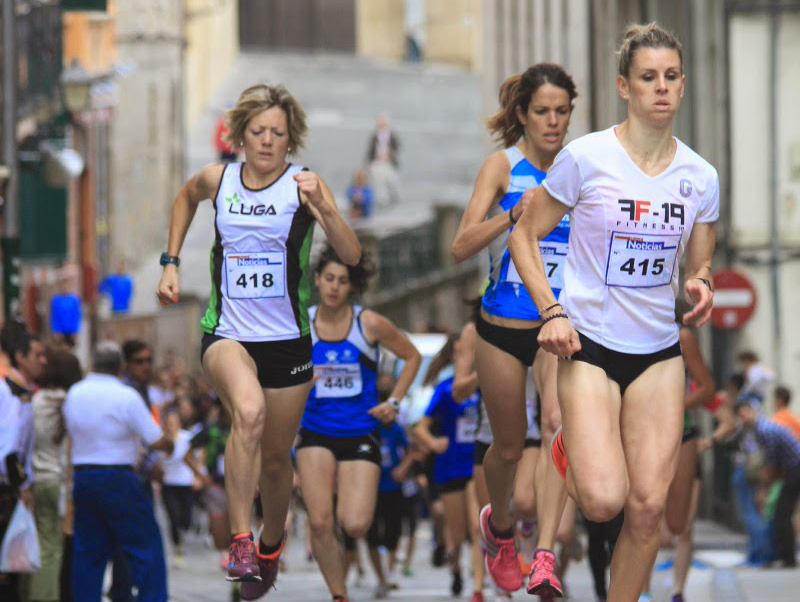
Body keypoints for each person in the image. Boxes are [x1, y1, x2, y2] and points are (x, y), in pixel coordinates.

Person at [508, 23, 718, 601]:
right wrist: (551, 311)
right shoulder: (586, 158)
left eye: (671, 76)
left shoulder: (699, 176)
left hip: (657, 352)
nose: (662, 88)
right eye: (648, 77)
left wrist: (700, 281)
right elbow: (524, 237)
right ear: (625, 87)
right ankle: (565, 447)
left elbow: (701, 250)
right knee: (603, 500)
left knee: (648, 510)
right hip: (590, 344)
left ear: (682, 83)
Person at [156, 83, 361, 592]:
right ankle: (242, 540)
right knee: (246, 413)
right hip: (226, 333)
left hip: (288, 341)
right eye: (258, 131)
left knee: (275, 458)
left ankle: (271, 542)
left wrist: (326, 210)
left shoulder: (304, 185)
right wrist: (171, 261)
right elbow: (185, 198)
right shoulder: (217, 179)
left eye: (278, 133)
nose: (267, 141)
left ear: (290, 142)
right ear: (239, 136)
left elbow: (351, 255)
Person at [451, 62, 578, 596]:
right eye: (543, 112)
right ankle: (499, 530)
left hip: (559, 324)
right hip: (501, 324)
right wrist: (512, 217)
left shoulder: (581, 167)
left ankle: (544, 552)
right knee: (506, 448)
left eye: (562, 112)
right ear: (523, 113)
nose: (553, 122)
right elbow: (459, 246)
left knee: (555, 421)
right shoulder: (502, 167)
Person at [295, 247, 421, 602]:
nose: (334, 287)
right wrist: (303, 376)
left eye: (343, 280)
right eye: (329, 278)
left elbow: (411, 355)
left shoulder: (368, 323)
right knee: (319, 522)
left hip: (360, 432)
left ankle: (342, 509)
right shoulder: (301, 325)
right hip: (315, 429)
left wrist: (394, 401)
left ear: (352, 286)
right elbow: (279, 372)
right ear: (317, 280)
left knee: (354, 523)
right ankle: (339, 594)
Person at [64, 341, 173, 602]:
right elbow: (155, 439)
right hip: (118, 477)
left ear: (92, 364)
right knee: (145, 546)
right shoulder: (126, 395)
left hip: (84, 476)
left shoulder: (75, 393)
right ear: (121, 366)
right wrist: (170, 442)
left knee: (88, 553)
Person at [415, 335, 481, 599]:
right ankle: (455, 566)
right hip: (450, 467)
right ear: (453, 356)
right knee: (458, 532)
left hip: (477, 464)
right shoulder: (444, 389)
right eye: (460, 352)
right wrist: (434, 442)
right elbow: (420, 426)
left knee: (477, 528)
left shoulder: (485, 385)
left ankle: (477, 587)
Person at [29, 346, 82, 602]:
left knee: (44, 545)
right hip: (61, 483)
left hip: (38, 479)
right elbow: (69, 454)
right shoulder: (72, 403)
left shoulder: (36, 400)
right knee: (57, 550)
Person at [0, 322, 47, 601]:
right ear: (20, 356)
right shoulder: (8, 393)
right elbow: (9, 449)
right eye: (36, 355)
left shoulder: (23, 392)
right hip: (8, 485)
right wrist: (21, 486)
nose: (42, 362)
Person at [734, 401, 800, 568]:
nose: (744, 418)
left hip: (795, 468)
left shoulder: (765, 430)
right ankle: (784, 555)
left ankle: (786, 557)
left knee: (782, 512)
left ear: (753, 411)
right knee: (781, 511)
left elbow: (770, 464)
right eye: (740, 415)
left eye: (745, 413)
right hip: (790, 469)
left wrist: (764, 491)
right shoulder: (760, 430)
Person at [159, 407, 204, 566]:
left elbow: (198, 456)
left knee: (186, 517)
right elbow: (156, 464)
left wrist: (198, 476)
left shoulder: (187, 437)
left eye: (174, 423)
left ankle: (184, 533)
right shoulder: (160, 440)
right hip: (168, 483)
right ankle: (177, 548)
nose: (172, 426)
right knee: (171, 515)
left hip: (185, 482)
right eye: (169, 423)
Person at [366, 114, 400, 206]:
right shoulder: (375, 135)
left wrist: (392, 154)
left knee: (391, 180)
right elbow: (371, 149)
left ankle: (393, 197)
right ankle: (382, 199)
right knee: (378, 181)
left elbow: (397, 147)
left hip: (389, 162)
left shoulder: (392, 135)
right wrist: (369, 162)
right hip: (377, 161)